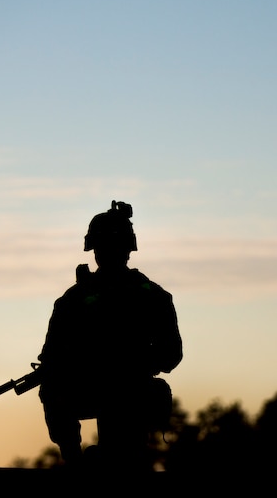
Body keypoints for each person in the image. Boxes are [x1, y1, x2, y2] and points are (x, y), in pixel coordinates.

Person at [35, 201, 182, 471]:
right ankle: (75, 461)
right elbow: (52, 357)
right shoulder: (75, 299)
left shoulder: (150, 296)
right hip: (90, 386)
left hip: (132, 392)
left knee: (122, 453)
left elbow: (171, 354)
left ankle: (101, 459)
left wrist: (128, 363)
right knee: (54, 389)